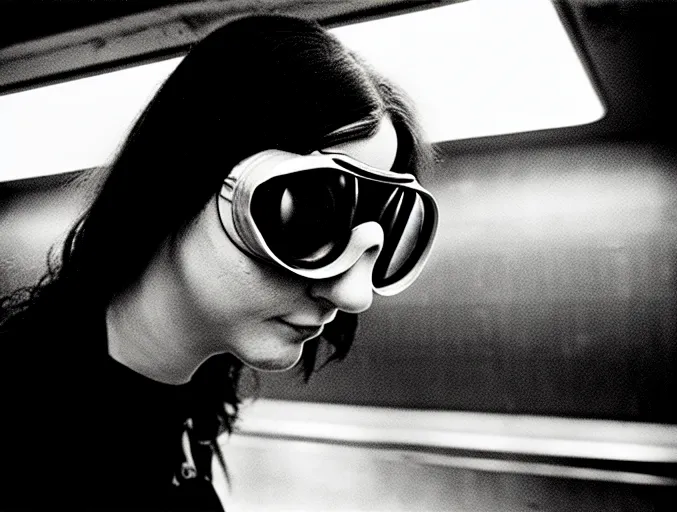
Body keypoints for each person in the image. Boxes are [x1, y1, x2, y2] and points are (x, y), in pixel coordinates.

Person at [0, 13, 438, 511]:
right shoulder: (23, 427)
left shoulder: (197, 396)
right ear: (183, 173)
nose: (352, 294)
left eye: (392, 228)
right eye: (309, 214)